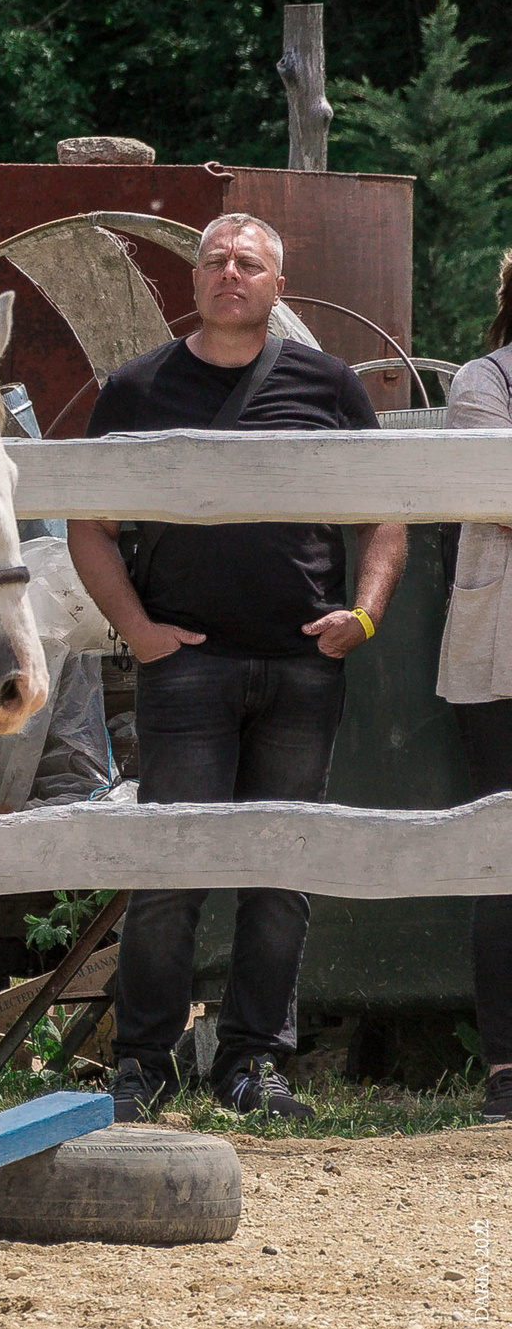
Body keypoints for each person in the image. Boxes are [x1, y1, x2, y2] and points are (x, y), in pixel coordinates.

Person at [68, 213, 406, 1124]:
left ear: (275, 287)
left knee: (279, 870)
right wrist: (137, 630)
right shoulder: (138, 388)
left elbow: (386, 514)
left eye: (248, 264)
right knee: (169, 870)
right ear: (192, 281)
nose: (229, 274)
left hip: (303, 668)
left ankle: (254, 1064)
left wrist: (365, 614)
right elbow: (86, 523)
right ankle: (142, 1065)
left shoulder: (327, 384)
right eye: (214, 260)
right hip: (187, 669)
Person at [435, 249, 512, 1124]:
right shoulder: (481, 382)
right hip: (501, 665)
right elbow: (497, 489)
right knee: (506, 860)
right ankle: (508, 1073)